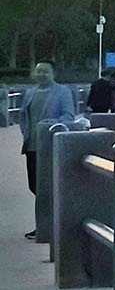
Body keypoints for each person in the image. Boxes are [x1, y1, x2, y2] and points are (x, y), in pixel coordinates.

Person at [17, 62, 75, 240]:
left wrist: (51, 126)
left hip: (51, 147)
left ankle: (48, 226)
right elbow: (23, 116)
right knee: (35, 185)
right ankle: (46, 224)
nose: (41, 74)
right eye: (39, 71)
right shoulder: (30, 93)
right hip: (32, 147)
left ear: (53, 73)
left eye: (46, 71)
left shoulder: (63, 92)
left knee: (48, 187)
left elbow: (68, 116)